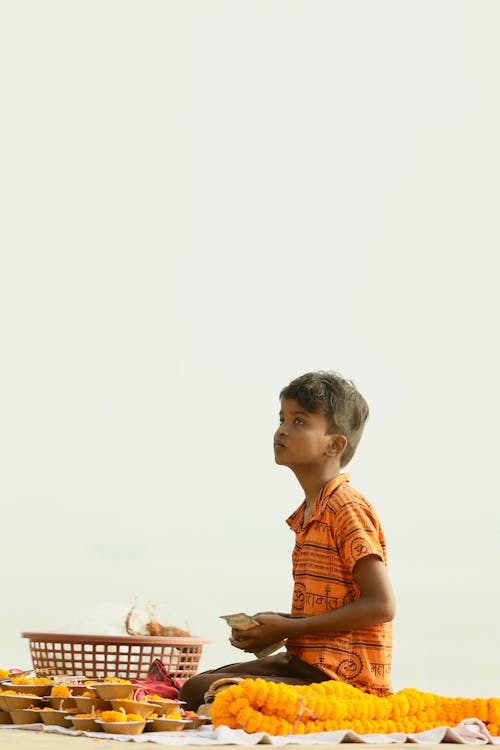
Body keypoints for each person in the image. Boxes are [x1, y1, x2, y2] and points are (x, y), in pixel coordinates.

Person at [180, 370, 395, 711]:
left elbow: (381, 605)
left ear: (334, 444)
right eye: (282, 418)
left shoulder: (346, 506)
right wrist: (277, 625)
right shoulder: (309, 514)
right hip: (305, 664)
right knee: (195, 687)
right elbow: (331, 608)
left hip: (342, 678)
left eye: (299, 421)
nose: (282, 430)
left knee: (218, 695)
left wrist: (291, 629)